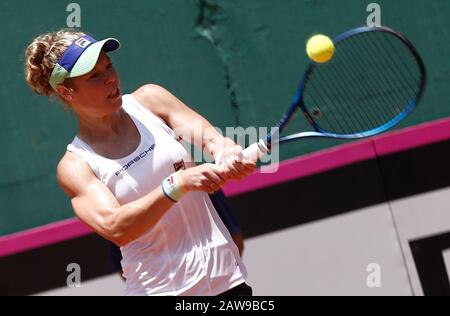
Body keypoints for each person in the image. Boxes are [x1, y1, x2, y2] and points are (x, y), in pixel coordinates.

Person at [24, 29, 256, 296]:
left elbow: (213, 140)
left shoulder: (151, 99)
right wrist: (177, 183)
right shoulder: (76, 166)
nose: (110, 78)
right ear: (67, 92)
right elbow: (117, 226)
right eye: (94, 76)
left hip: (228, 283)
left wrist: (227, 153)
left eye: (109, 66)